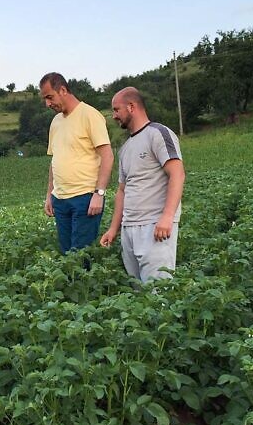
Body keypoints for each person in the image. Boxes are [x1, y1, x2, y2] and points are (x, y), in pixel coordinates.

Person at [99, 87, 185, 281]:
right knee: (140, 294)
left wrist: (167, 217)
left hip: (155, 226)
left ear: (131, 107)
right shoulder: (125, 148)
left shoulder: (158, 134)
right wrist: (114, 228)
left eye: (116, 110)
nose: (114, 116)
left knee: (159, 291)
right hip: (129, 228)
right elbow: (122, 191)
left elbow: (177, 174)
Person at [40, 72, 114, 254]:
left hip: (85, 198)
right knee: (67, 256)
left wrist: (99, 194)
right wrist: (50, 194)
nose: (47, 104)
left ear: (63, 90)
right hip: (61, 199)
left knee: (80, 257)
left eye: (50, 97)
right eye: (45, 99)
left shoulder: (90, 115)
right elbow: (54, 160)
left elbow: (107, 155)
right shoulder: (56, 122)